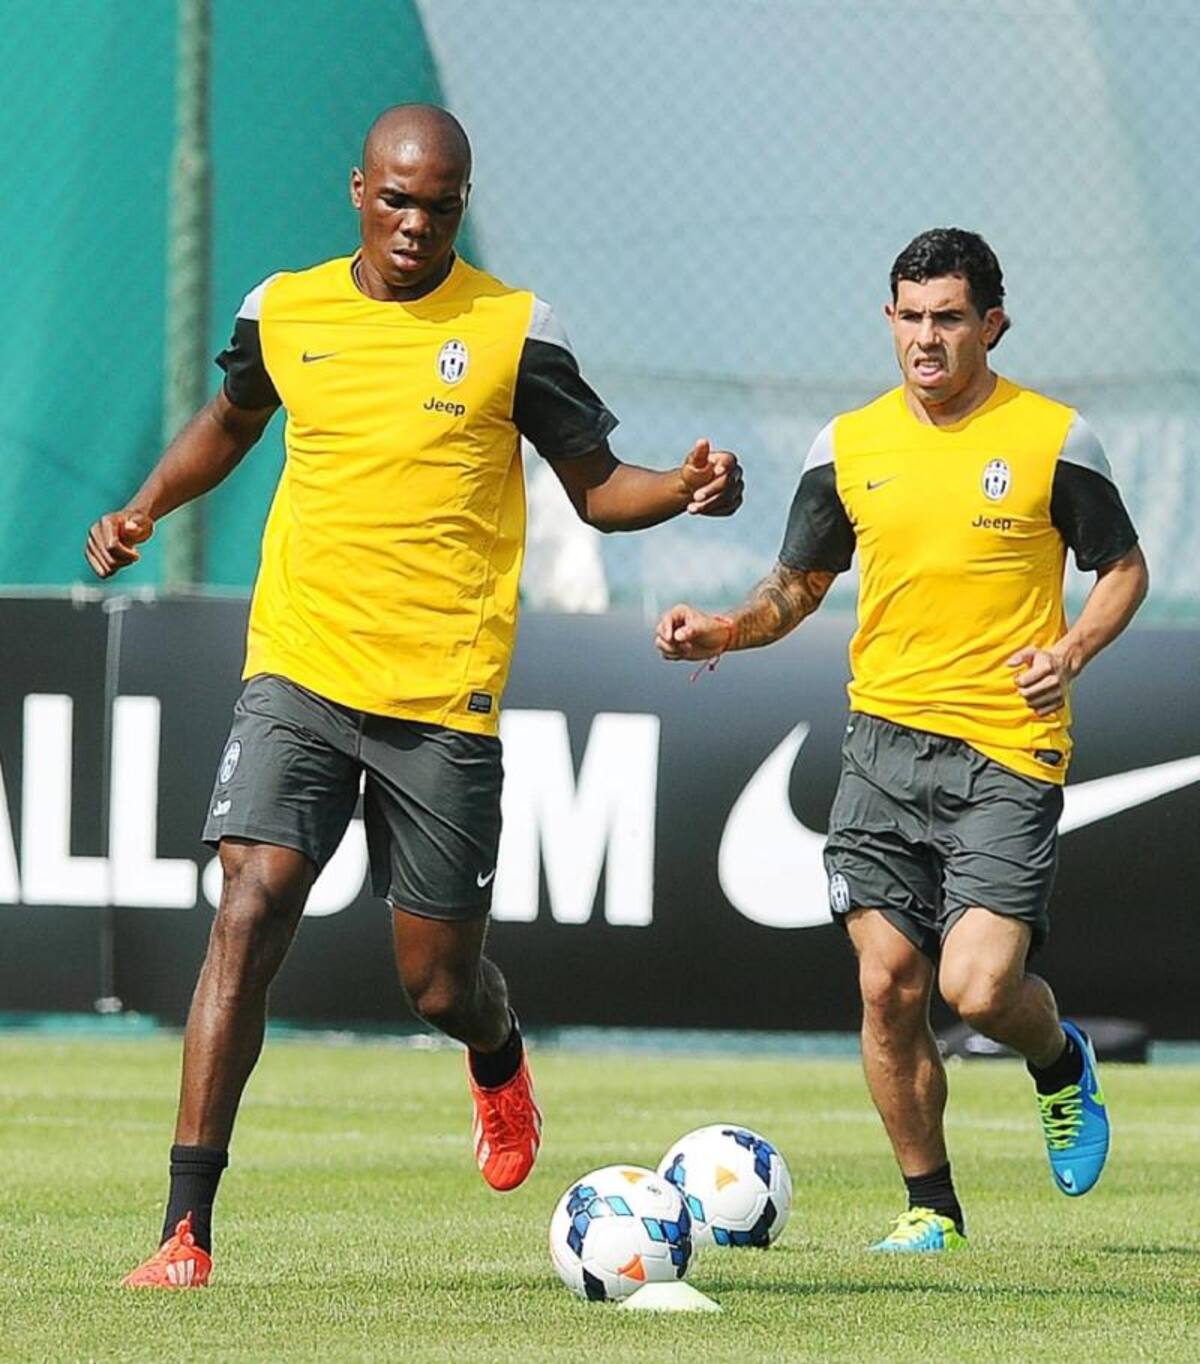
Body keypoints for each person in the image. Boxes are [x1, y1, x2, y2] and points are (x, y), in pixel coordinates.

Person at [86, 103, 743, 1289]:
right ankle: (185, 1227)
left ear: (461, 204)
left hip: (443, 692)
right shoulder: (283, 309)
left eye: (440, 206)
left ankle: (495, 1050)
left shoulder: (509, 329)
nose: (415, 225)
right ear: (357, 190)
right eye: (397, 199)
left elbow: (597, 488)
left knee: (436, 980)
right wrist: (144, 505)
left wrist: (685, 488)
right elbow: (229, 424)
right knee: (248, 906)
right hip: (300, 665)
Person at [657, 228, 1147, 1251]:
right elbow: (796, 586)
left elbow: (1123, 569)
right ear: (890, 321)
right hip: (882, 745)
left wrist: (1073, 650)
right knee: (889, 986)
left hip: (1008, 749)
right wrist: (722, 631)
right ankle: (932, 1207)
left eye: (949, 318)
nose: (927, 339)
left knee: (976, 987)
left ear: (992, 325)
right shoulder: (847, 446)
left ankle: (1058, 1061)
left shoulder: (1055, 438)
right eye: (911, 317)